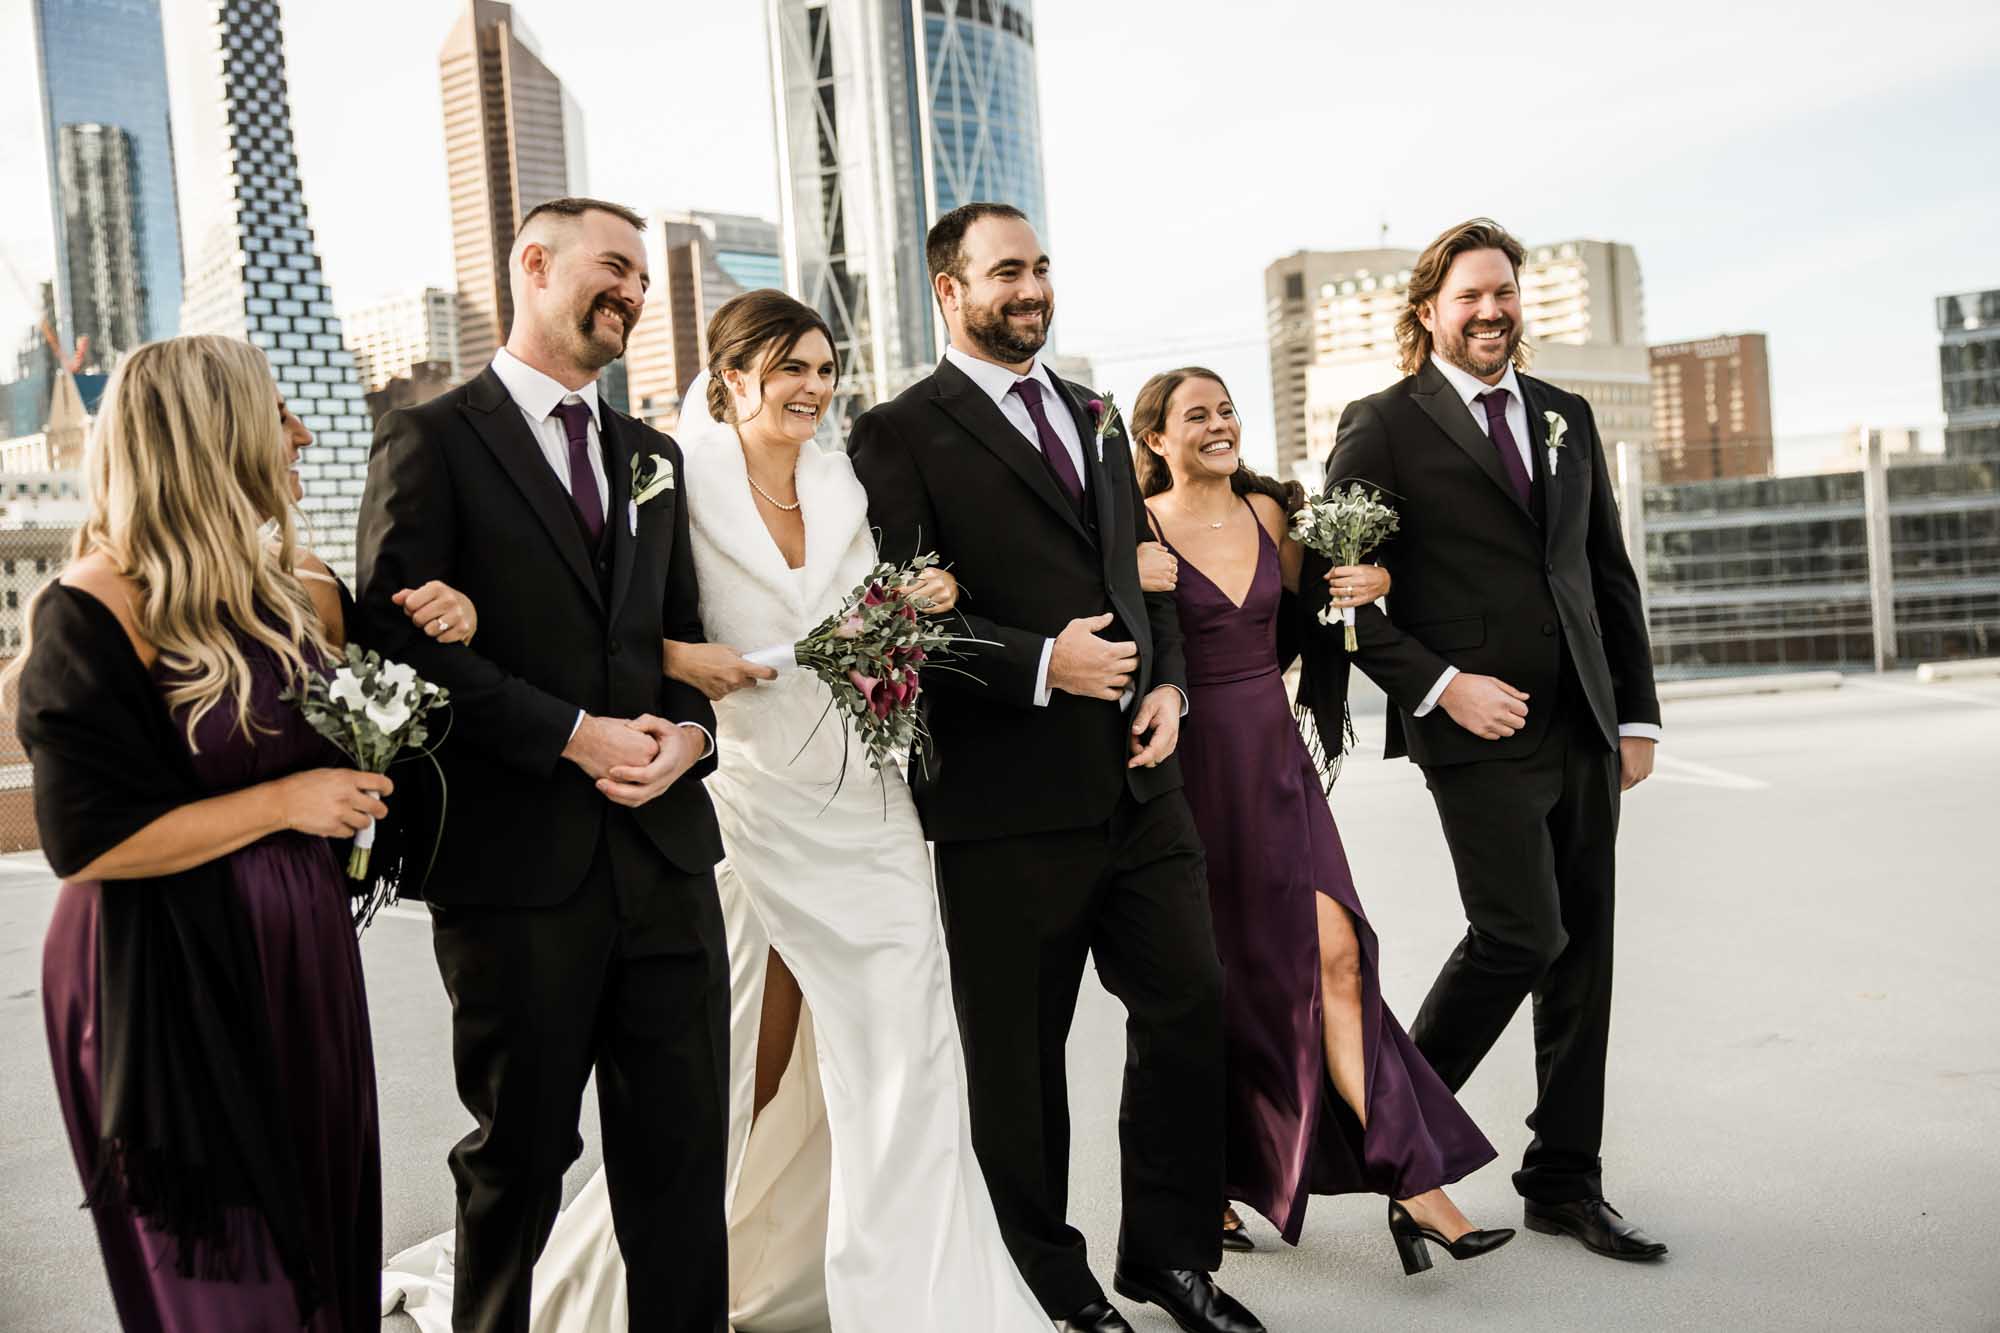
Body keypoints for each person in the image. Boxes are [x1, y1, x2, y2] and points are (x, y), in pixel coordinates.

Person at [426, 288, 1054, 1332]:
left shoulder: (845, 481)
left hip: (866, 794)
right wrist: (678, 661)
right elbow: (622, 621)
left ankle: (914, 1298)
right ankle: (687, 1268)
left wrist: (916, 606)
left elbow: (869, 613)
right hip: (748, 798)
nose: (813, 387)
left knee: (906, 1048)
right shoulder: (673, 477)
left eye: (824, 367)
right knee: (740, 1060)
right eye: (791, 368)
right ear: (731, 377)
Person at [850, 203, 1264, 1333]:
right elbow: (891, 620)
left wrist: (1168, 681)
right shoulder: (897, 433)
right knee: (1019, 1064)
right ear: (949, 290)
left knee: (1188, 1006)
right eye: (1004, 272)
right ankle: (1048, 1277)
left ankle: (1172, 1257)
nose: (1030, 288)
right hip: (1003, 805)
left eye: (1039, 267)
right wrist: (1043, 662)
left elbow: (1145, 575)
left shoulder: (1089, 413)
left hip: (1139, 784)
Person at [359, 197, 732, 1333]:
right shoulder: (430, 438)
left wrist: (687, 738)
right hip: (516, 865)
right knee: (517, 1156)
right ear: (533, 263)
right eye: (612, 267)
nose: (632, 290)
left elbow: (674, 641)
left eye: (641, 279)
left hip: (665, 860)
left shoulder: (653, 457)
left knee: (678, 1161)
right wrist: (571, 732)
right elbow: (394, 654)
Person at [15, 335, 392, 1329]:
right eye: (277, 413)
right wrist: (285, 805)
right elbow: (86, 840)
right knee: (230, 1281)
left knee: (321, 1242)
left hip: (299, 957)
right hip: (163, 968)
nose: (302, 433)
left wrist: (455, 614)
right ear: (210, 436)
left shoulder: (294, 593)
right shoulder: (92, 609)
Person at [1317, 217, 1667, 1261]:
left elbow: (1602, 570)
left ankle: (1564, 1178)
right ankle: (1393, 1141)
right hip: (1473, 732)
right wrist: (1441, 685)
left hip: (1584, 727)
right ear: (1427, 309)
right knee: (1519, 935)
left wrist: (1634, 713)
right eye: (1469, 294)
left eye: (1503, 292)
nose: (1490, 309)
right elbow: (1343, 601)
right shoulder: (1378, 424)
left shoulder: (1562, 414)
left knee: (1584, 954)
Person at [1131, 366, 1513, 1275]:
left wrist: (1365, 585)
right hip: (1191, 777)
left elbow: (1317, 627)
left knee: (1338, 955)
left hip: (1277, 766)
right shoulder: (1137, 533)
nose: (1221, 425)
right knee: (1224, 984)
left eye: (1227, 409)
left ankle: (1417, 1185)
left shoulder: (1271, 516)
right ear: (1155, 439)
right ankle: (1216, 1181)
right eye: (1198, 415)